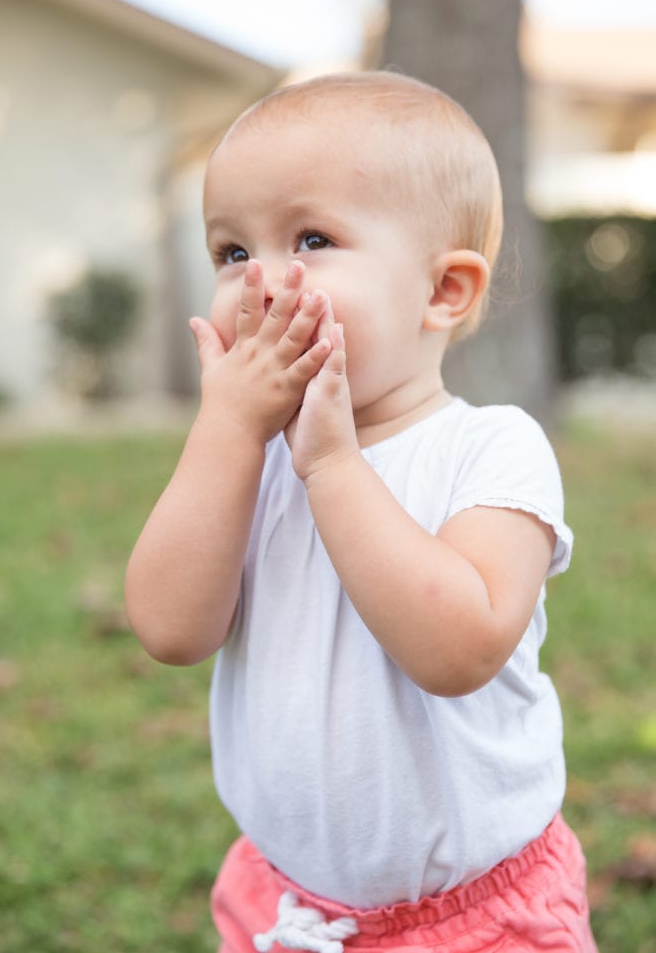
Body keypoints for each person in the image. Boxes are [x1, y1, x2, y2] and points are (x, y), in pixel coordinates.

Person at [125, 71, 597, 952]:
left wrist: (335, 463)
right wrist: (226, 434)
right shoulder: (246, 461)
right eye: (230, 253)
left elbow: (456, 650)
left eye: (311, 237)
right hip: (285, 902)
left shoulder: (490, 448)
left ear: (442, 292)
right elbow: (169, 630)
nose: (256, 282)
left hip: (473, 917)